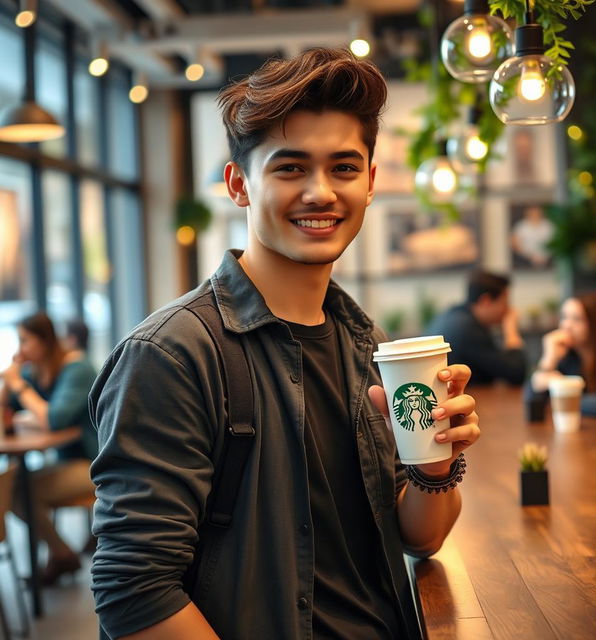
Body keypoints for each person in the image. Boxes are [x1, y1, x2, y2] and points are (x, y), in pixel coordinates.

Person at [90, 48, 480, 640]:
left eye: (344, 168)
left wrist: (435, 460)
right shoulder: (173, 355)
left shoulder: (365, 342)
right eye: (290, 168)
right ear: (239, 184)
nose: (321, 192)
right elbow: (134, 592)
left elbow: (420, 536)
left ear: (371, 183)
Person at [0, 312, 97, 584]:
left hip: (95, 463)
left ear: (45, 341)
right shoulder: (36, 370)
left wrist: (17, 384)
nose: (20, 349)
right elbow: (5, 411)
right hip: (65, 462)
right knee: (15, 488)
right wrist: (10, 382)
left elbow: (54, 419)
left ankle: (61, 556)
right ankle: (62, 554)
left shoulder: (77, 368)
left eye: (25, 341)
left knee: (20, 493)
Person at [528, 292, 596, 432]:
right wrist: (549, 359)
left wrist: (559, 390)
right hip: (592, 435)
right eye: (564, 317)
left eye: (577, 319)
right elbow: (532, 401)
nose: (567, 325)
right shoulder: (568, 357)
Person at [428, 270, 526, 385]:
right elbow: (516, 373)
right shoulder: (466, 329)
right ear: (486, 301)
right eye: (504, 303)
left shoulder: (452, 315)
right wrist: (511, 330)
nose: (508, 309)